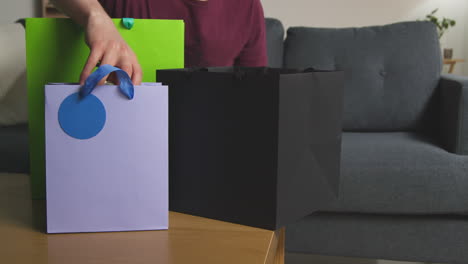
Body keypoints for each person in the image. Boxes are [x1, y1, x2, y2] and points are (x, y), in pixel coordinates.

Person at [52, 0, 267, 85]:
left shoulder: (247, 7)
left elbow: (255, 92)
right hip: (124, 132)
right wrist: (95, 16)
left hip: (210, 139)